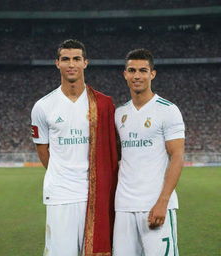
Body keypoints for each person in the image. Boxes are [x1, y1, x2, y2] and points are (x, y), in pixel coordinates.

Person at [31, 39, 118, 256]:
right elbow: (43, 151)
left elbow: (113, 150)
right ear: (57, 63)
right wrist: (62, 175)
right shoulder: (43, 106)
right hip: (61, 194)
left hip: (94, 193)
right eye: (66, 59)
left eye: (76, 59)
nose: (71, 64)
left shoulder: (103, 104)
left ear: (85, 63)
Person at [113, 49, 185, 256]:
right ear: (125, 74)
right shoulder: (120, 113)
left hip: (155, 205)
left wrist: (163, 202)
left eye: (143, 70)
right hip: (124, 206)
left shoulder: (168, 110)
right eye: (132, 70)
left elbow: (177, 156)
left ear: (152, 74)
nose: (137, 76)